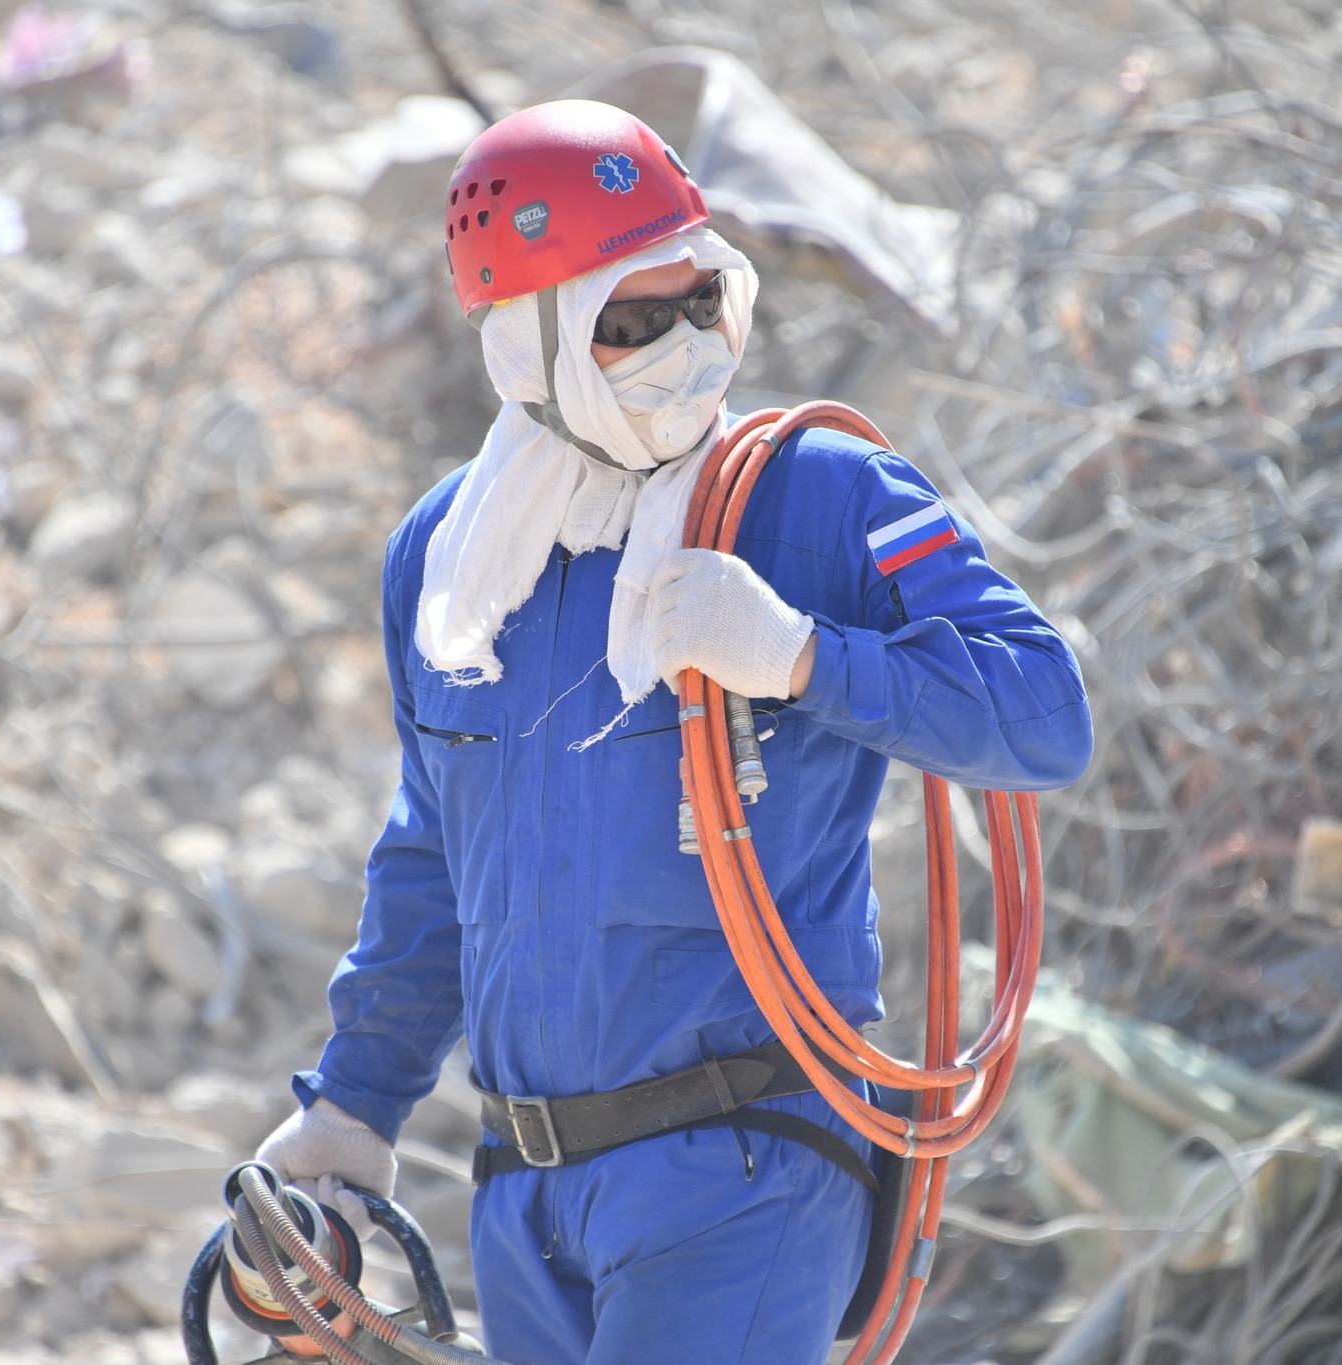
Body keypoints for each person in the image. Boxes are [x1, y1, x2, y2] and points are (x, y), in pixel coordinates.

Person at [254, 99, 1093, 1365]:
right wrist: (353, 1106)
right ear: (528, 347)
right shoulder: (449, 559)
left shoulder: (822, 497)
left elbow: (1044, 715)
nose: (684, 348)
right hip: (524, 1196)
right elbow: (436, 852)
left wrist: (802, 657)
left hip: (745, 1171)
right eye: (629, 323)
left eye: (701, 300)